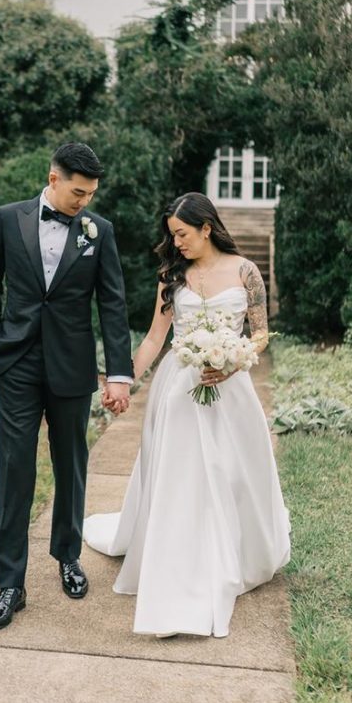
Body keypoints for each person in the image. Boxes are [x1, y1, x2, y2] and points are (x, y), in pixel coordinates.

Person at [86, 191, 291, 638]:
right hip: (178, 391)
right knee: (183, 478)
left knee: (231, 474)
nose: (176, 242)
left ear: (206, 227)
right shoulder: (171, 277)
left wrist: (233, 359)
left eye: (182, 233)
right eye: (172, 235)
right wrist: (125, 379)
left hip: (230, 389)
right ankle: (180, 567)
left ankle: (229, 554)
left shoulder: (246, 271)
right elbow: (155, 338)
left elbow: (260, 335)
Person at [0, 142, 133, 631]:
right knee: (14, 466)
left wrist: (120, 373)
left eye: (90, 195)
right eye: (77, 192)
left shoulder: (98, 232)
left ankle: (68, 555)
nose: (83, 202)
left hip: (71, 365)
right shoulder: (8, 218)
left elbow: (112, 304)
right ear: (53, 178)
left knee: (71, 463)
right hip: (16, 363)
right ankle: (10, 584)